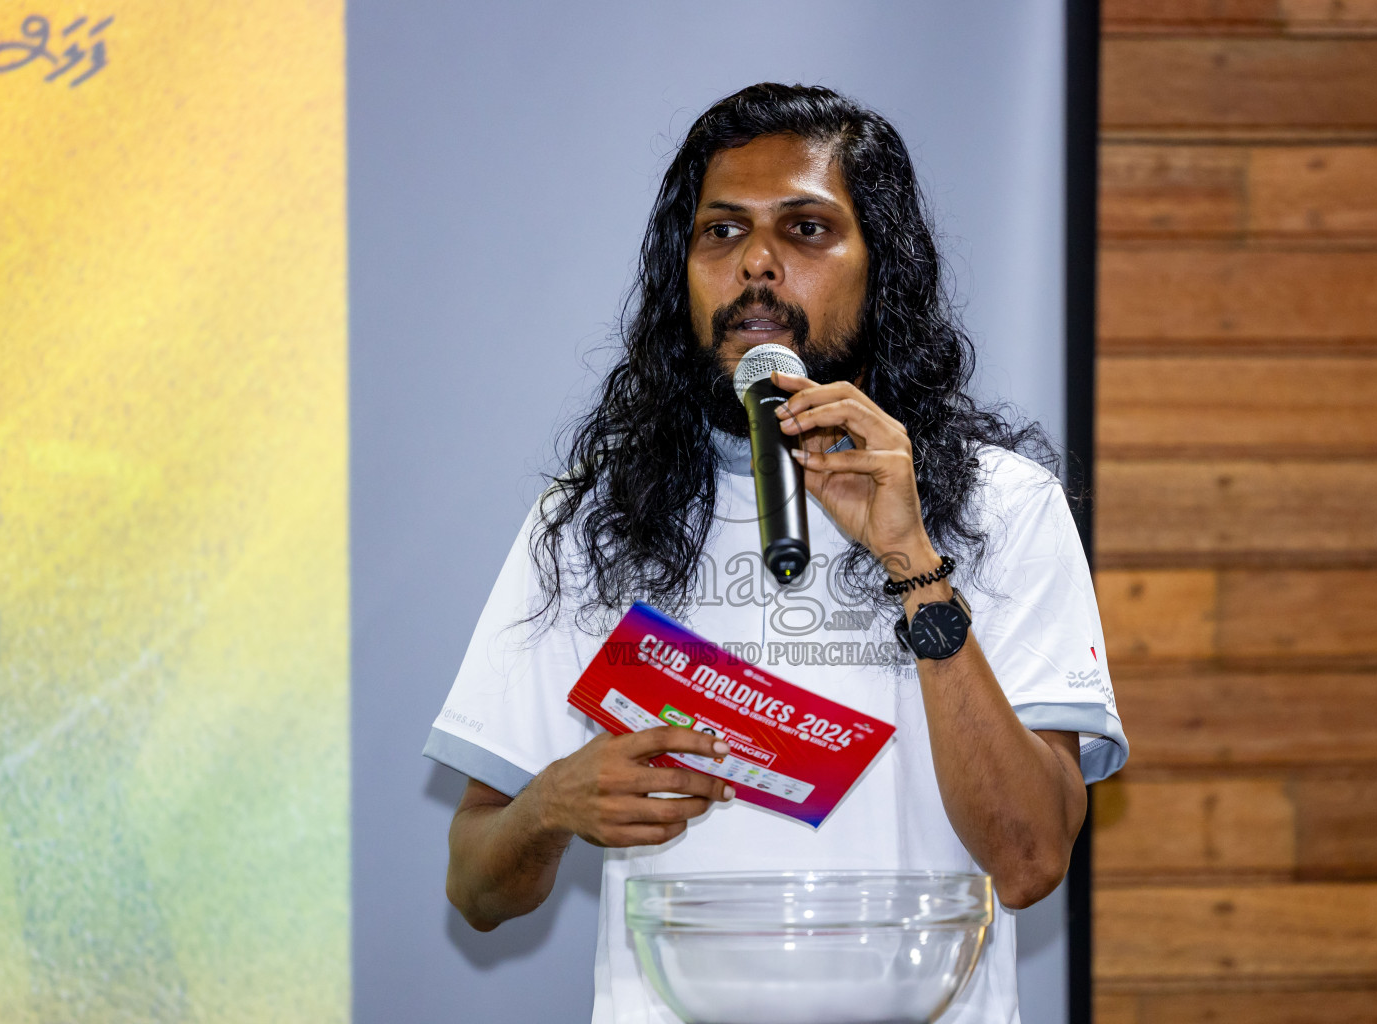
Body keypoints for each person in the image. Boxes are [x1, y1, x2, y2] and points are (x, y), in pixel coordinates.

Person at [425, 83, 1127, 1023]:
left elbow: (1032, 861)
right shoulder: (591, 522)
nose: (756, 263)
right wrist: (550, 806)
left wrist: (912, 560)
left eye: (805, 230)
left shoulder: (1004, 508)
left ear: (885, 267)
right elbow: (475, 887)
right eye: (720, 233)